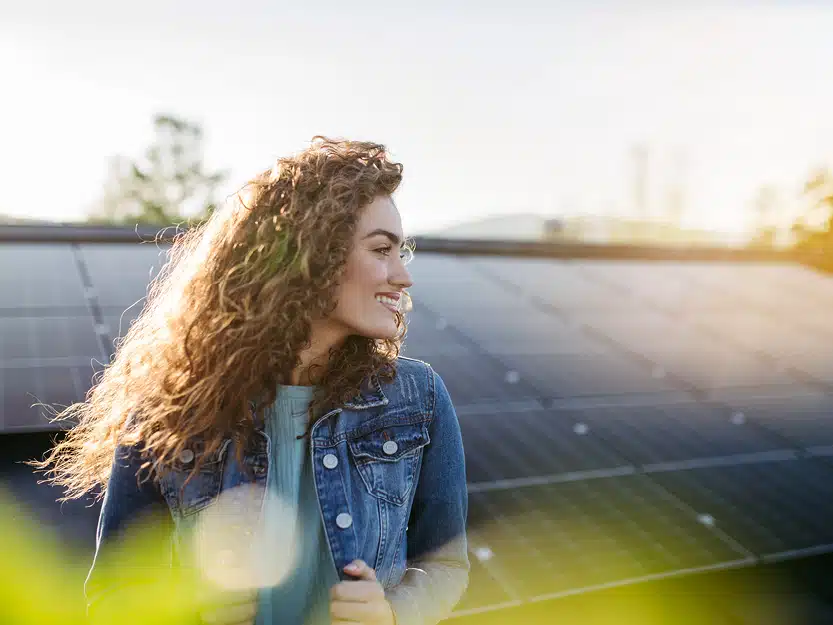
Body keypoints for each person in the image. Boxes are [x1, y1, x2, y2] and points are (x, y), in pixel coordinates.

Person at [35, 137, 469, 625]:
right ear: (313, 255)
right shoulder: (170, 411)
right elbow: (117, 591)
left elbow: (446, 563)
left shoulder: (419, 399)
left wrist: (393, 614)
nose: (403, 276)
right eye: (382, 249)